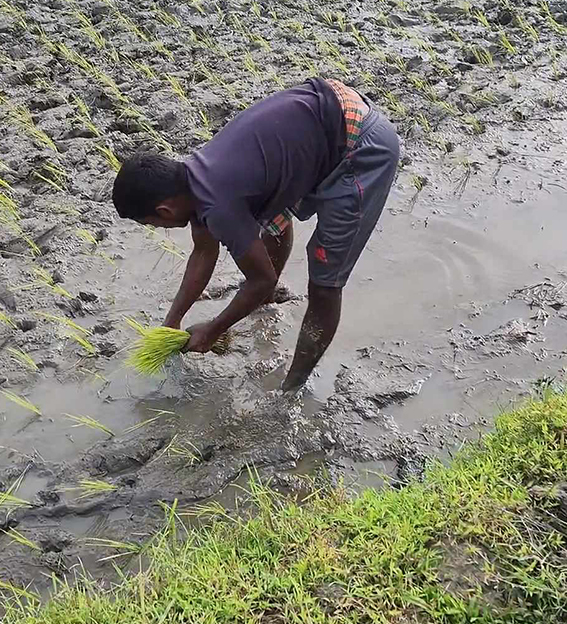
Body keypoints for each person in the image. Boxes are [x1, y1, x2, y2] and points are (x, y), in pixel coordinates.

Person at [112, 77, 399, 391]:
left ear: (165, 211)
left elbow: (262, 279)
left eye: (153, 224)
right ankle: (263, 306)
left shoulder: (219, 205)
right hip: (323, 121)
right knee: (272, 224)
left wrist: (214, 328)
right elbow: (203, 252)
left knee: (325, 285)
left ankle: (291, 387)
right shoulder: (194, 182)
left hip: (359, 143)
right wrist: (172, 322)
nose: (159, 229)